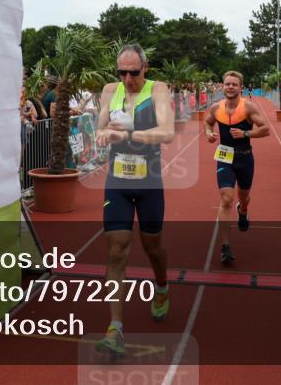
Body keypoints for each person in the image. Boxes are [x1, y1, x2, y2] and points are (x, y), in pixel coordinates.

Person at [93, 44, 175, 356]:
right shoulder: (109, 90)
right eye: (122, 72)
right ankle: (115, 328)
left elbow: (166, 132)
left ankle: (162, 285)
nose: (128, 78)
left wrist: (127, 135)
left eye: (134, 72)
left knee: (152, 245)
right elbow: (100, 128)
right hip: (117, 181)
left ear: (146, 67)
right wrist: (102, 134)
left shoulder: (158, 90)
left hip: (149, 181)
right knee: (116, 250)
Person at [205, 70, 270, 265]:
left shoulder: (249, 107)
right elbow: (207, 123)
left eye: (234, 84)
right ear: (222, 86)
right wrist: (209, 133)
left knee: (244, 197)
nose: (230, 87)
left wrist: (246, 134)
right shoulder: (216, 108)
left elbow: (265, 129)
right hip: (225, 157)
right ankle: (225, 245)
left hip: (245, 158)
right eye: (227, 84)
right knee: (226, 198)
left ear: (241, 87)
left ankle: (243, 210)